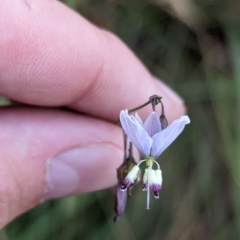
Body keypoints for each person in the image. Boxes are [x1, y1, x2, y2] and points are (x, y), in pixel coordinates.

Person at [0, 1, 185, 228]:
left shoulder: (147, 150)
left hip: (146, 153)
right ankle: (131, 176)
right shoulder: (147, 148)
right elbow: (128, 120)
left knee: (139, 164)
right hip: (146, 152)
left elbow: (130, 122)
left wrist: (137, 159)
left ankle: (132, 176)